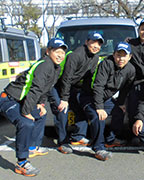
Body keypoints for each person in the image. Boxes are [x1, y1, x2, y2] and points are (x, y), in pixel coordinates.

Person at [0, 38, 67, 176]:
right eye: (57, 51)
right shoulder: (45, 65)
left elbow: (46, 88)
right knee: (26, 123)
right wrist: (26, 111)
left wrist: (40, 104)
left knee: (40, 115)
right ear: (48, 51)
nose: (60, 55)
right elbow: (35, 89)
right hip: (9, 99)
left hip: (21, 100)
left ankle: (31, 146)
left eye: (62, 52)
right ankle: (22, 163)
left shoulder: (56, 67)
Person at [77, 42, 135, 160]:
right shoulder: (106, 64)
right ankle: (98, 148)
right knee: (99, 117)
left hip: (106, 98)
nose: (121, 58)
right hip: (90, 96)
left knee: (118, 111)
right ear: (113, 55)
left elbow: (125, 88)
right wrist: (99, 107)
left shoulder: (130, 69)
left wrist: (121, 103)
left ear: (129, 57)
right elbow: (98, 86)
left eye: (124, 55)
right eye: (118, 55)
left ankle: (111, 139)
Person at [48, 32, 104, 154]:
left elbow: (88, 78)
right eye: (93, 42)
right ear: (86, 42)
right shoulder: (76, 55)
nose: (96, 46)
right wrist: (64, 99)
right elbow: (66, 78)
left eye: (99, 44)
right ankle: (62, 142)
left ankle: (78, 136)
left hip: (72, 87)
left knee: (81, 106)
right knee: (62, 110)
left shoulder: (95, 58)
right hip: (57, 86)